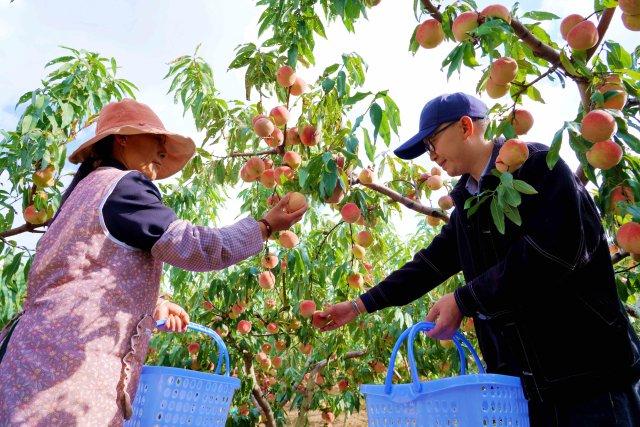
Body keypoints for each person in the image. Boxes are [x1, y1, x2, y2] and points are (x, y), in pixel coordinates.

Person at [316, 92, 640, 426]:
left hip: (589, 378)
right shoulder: (470, 206)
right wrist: (359, 305)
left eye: (432, 143)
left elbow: (553, 253)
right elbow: (429, 264)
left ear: (466, 126)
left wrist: (464, 299)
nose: (432, 156)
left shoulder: (536, 165)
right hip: (527, 389)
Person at [0, 99, 306, 425]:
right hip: (67, 380)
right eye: (156, 138)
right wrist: (264, 227)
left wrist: (153, 304)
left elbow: (82, 273)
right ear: (123, 139)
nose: (162, 151)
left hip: (24, 360)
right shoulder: (123, 187)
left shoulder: (78, 196)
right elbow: (195, 246)